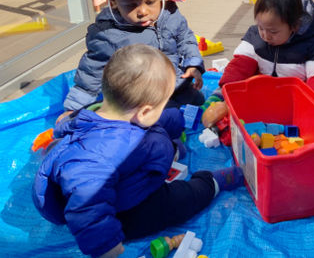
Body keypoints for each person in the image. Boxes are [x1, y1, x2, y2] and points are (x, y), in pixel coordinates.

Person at [33, 44, 244, 258]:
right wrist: (105, 244)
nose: (163, 110)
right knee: (176, 202)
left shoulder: (107, 113)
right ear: (144, 112)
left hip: (124, 178)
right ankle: (210, 183)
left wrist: (181, 118)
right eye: (162, 105)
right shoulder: (100, 156)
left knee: (157, 134)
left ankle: (173, 149)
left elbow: (154, 121)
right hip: (121, 211)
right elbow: (86, 202)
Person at [61, 0, 204, 121]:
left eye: (150, 2)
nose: (143, 11)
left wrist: (193, 63)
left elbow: (185, 38)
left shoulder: (169, 14)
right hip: (144, 98)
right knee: (169, 121)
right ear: (113, 3)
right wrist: (73, 108)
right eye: (131, 5)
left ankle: (180, 102)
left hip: (177, 84)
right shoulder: (108, 35)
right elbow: (91, 72)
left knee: (199, 103)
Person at [207, 0, 314, 104]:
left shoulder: (312, 45)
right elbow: (239, 67)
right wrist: (223, 92)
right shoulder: (255, 37)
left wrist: (312, 106)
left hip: (293, 100)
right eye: (261, 28)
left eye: (273, 32)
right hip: (260, 94)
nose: (266, 36)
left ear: (294, 26)